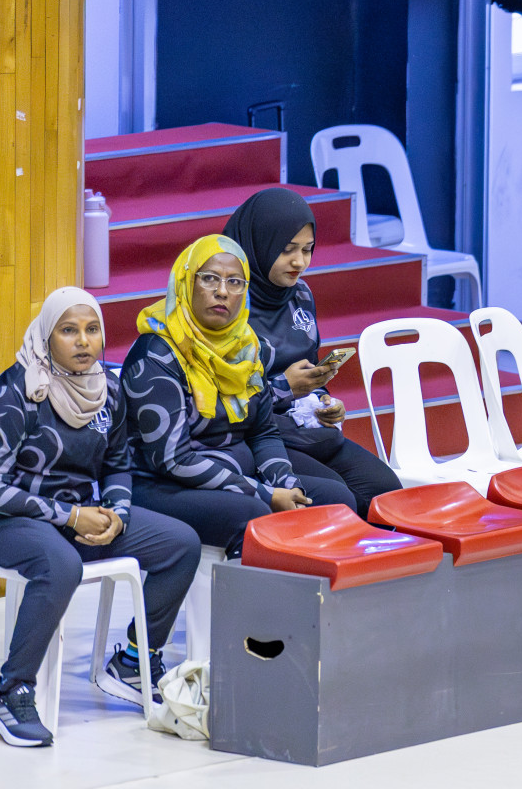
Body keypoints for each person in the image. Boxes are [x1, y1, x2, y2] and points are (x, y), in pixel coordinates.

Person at [0, 289, 200, 748]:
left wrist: (116, 513)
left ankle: (134, 662)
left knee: (181, 543)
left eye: (92, 329)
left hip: (77, 517)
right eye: (68, 330)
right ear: (47, 336)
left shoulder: (108, 389)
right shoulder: (15, 391)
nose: (83, 342)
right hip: (0, 520)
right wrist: (70, 515)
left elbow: (117, 463)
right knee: (60, 565)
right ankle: (11, 692)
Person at [123, 235, 356, 557]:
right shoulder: (155, 356)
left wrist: (284, 482)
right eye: (209, 279)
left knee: (335, 499)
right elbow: (171, 460)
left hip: (236, 476)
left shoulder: (245, 347)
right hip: (161, 483)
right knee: (252, 516)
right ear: (185, 283)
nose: (222, 291)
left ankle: (308, 601)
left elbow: (263, 431)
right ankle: (250, 605)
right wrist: (265, 493)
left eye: (234, 282)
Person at [224, 188, 401, 518]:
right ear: (257, 244)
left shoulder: (299, 294)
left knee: (384, 491)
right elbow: (222, 400)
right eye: (287, 250)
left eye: (307, 250)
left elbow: (306, 365)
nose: (299, 262)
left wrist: (322, 400)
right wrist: (284, 388)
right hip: (252, 436)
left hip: (303, 428)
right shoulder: (226, 302)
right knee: (338, 499)